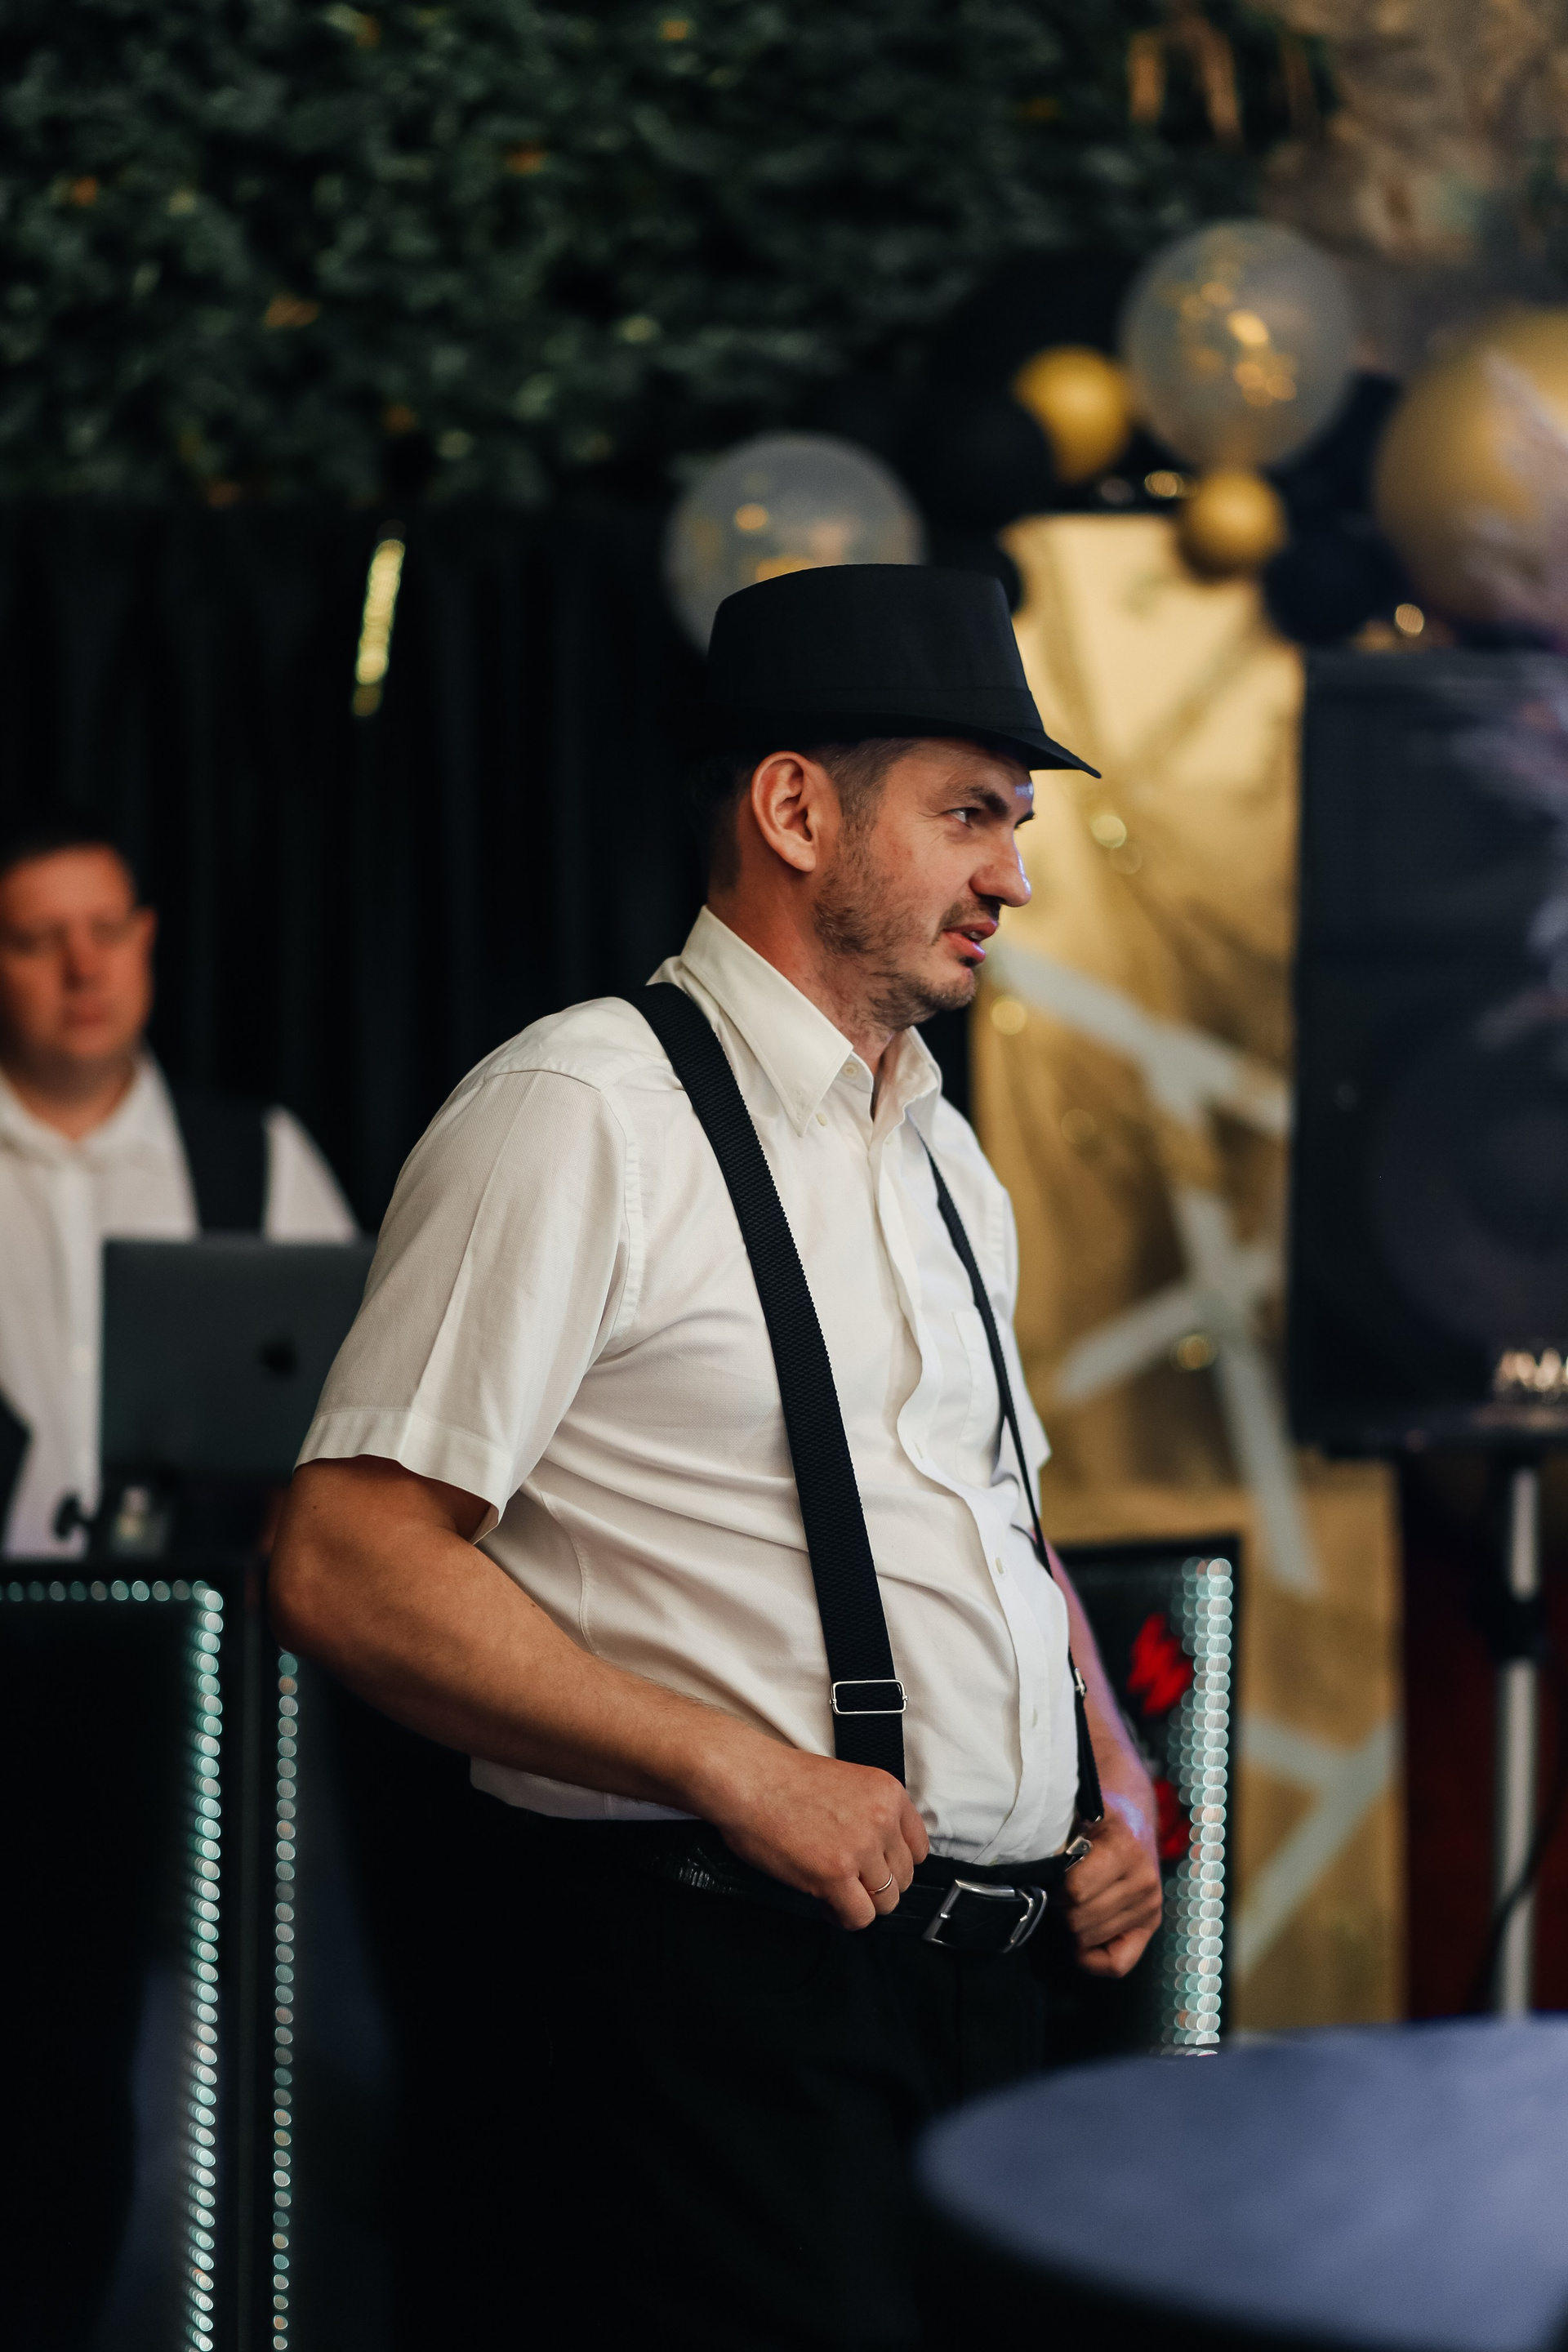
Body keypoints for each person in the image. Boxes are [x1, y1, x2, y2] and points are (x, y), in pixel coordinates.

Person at [271, 566, 1163, 2350]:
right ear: (794, 809)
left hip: (994, 2006)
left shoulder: (944, 1154)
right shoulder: (579, 1110)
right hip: (721, 2001)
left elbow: (1000, 1519)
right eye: (971, 813)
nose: (1015, 873)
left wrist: (1114, 1777)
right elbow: (345, 1558)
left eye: (1018, 819)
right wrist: (733, 1765)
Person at [0, 820, 355, 1557]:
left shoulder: (262, 1155)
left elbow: (355, 1403)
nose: (84, 968)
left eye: (107, 930)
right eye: (39, 940)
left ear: (146, 937)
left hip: (202, 1617)